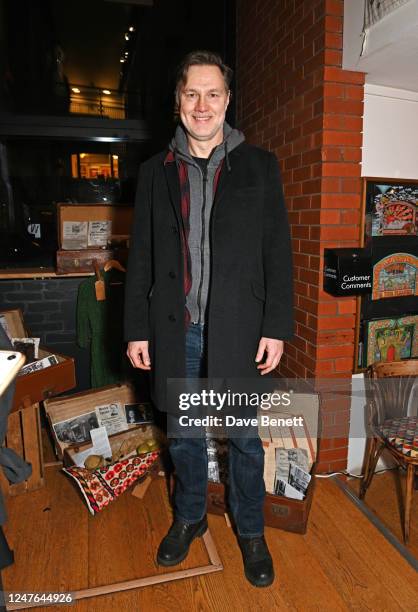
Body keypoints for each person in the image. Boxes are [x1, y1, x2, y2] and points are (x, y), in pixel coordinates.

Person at [124, 50, 293, 587]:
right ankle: (190, 517)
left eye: (213, 93)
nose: (203, 104)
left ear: (227, 100)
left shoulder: (259, 166)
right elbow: (143, 257)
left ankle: (250, 529)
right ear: (178, 102)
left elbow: (278, 252)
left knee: (243, 437)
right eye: (192, 93)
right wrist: (136, 328)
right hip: (178, 332)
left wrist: (276, 327)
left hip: (240, 331)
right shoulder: (154, 173)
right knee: (185, 435)